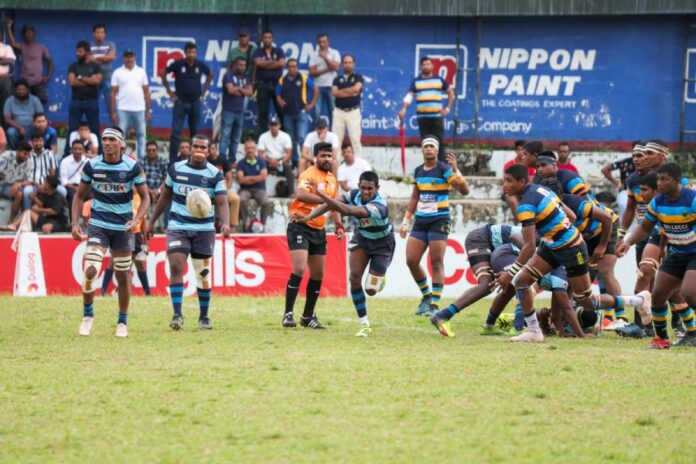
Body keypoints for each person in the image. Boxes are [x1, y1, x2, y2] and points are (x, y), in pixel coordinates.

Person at [495, 164, 650, 343]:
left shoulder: (526, 205)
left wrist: (510, 273)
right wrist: (554, 229)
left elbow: (529, 247)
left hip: (571, 249)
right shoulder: (541, 190)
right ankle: (534, 331)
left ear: (522, 182)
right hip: (553, 246)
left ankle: (638, 301)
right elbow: (571, 216)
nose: (504, 185)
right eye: (504, 181)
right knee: (522, 282)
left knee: (587, 301)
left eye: (508, 181)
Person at [71, 126, 150, 338]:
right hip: (99, 224)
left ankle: (122, 322)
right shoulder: (92, 165)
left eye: (111, 139)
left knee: (122, 277)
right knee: (90, 270)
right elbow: (79, 196)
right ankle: (88, 316)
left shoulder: (133, 167)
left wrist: (137, 220)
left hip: (123, 228)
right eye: (104, 139)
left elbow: (146, 197)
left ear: (121, 143)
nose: (107, 143)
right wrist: (75, 223)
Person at [147, 134, 230, 331]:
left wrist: (226, 223)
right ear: (190, 148)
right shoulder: (176, 169)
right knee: (176, 266)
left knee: (202, 273)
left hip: (204, 229)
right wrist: (151, 222)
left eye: (203, 147)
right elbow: (165, 196)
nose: (199, 150)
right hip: (178, 226)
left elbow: (222, 202)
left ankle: (204, 316)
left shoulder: (216, 174)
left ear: (209, 151)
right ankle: (177, 315)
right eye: (196, 146)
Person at [295, 171, 392, 336]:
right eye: (363, 188)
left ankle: (379, 279)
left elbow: (346, 210)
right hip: (362, 239)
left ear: (377, 188)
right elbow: (331, 205)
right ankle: (364, 324)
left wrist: (321, 195)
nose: (366, 192)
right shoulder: (354, 195)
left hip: (382, 244)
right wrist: (309, 217)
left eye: (370, 189)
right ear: (358, 186)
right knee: (354, 278)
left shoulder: (379, 207)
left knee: (371, 289)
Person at [617, 163, 696, 349]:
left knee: (689, 292)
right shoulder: (658, 202)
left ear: (677, 180)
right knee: (658, 296)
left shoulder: (692, 199)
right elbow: (645, 227)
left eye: (664, 179)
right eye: (658, 179)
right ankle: (662, 339)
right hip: (677, 254)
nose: (659, 183)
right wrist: (627, 242)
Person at [400, 137, 469, 316]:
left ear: (437, 150)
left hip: (439, 220)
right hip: (420, 221)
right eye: (426, 146)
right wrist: (405, 221)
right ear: (422, 150)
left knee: (436, 262)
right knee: (411, 260)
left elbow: (464, 191)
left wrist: (456, 170)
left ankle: (435, 306)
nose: (429, 149)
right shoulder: (418, 171)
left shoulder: (444, 169)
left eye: (432, 146)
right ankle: (427, 296)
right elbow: (414, 197)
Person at [284, 142, 344, 329]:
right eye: (323, 156)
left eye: (329, 156)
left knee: (318, 274)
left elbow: (334, 206)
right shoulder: (308, 174)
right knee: (299, 269)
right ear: (315, 157)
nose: (327, 159)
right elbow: (301, 195)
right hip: (300, 226)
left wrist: (339, 225)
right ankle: (288, 314)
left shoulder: (332, 179)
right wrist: (326, 200)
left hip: (319, 229)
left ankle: (307, 316)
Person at [429, 224, 523, 336]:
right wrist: (528, 249)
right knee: (486, 284)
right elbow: (514, 236)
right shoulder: (538, 238)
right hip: (480, 239)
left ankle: (489, 326)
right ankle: (443, 316)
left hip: (490, 244)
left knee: (511, 287)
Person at [160, 42, 213, 163]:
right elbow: (163, 73)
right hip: (181, 102)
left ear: (196, 53)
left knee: (195, 134)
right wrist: (169, 92)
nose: (191, 54)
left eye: (193, 52)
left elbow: (210, 74)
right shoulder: (178, 64)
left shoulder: (199, 65)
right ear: (185, 53)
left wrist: (204, 92)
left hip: (195, 102)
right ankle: (172, 160)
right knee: (176, 133)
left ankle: (194, 159)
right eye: (189, 52)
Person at [398, 56, 454, 161]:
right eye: (423, 65)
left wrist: (447, 108)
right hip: (423, 118)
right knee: (426, 143)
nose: (426, 66)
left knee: (439, 142)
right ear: (421, 67)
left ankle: (441, 167)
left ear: (432, 66)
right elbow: (409, 96)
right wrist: (404, 109)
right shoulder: (416, 81)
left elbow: (451, 93)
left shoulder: (439, 80)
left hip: (436, 118)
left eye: (428, 64)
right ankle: (429, 166)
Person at [100, 189, 151, 297]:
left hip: (137, 235)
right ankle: (103, 291)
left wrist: (145, 241)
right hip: (123, 233)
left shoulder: (140, 198)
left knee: (140, 264)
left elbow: (143, 220)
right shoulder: (122, 196)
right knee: (114, 262)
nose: (134, 187)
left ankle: (148, 293)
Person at [276, 58, 317, 169]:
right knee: (291, 139)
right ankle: (295, 162)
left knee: (301, 137)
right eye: (290, 66)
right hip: (287, 114)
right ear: (287, 68)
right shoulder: (282, 80)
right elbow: (277, 94)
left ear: (297, 67)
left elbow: (315, 89)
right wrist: (279, 100)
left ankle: (306, 161)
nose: (292, 68)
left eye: (294, 66)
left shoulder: (303, 78)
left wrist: (311, 104)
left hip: (301, 112)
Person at [110, 48, 151, 159]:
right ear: (123, 58)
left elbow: (146, 92)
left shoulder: (141, 72)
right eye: (127, 57)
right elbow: (113, 93)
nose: (129, 59)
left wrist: (148, 110)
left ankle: (142, 158)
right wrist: (113, 112)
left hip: (140, 109)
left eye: (131, 57)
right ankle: (119, 157)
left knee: (141, 134)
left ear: (134, 57)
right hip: (122, 108)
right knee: (120, 135)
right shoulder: (117, 72)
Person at [4, 21, 53, 104]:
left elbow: (50, 62)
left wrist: (48, 76)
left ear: (34, 34)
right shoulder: (23, 46)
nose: (29, 35)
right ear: (24, 36)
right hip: (25, 81)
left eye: (30, 33)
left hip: (38, 81)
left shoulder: (41, 47)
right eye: (26, 33)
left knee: (42, 99)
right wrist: (8, 27)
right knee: (25, 102)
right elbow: (13, 44)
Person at [67, 41, 102, 156]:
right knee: (72, 129)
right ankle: (68, 153)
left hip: (92, 101)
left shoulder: (95, 66)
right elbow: (72, 82)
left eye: (80, 51)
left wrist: (80, 78)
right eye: (77, 51)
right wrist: (89, 80)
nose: (77, 53)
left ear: (87, 52)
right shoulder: (73, 66)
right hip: (76, 101)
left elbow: (97, 81)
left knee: (95, 129)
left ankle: (99, 154)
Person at [253, 30, 286, 136]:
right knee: (263, 112)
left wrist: (265, 64)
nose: (267, 40)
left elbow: (281, 63)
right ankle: (263, 136)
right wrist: (273, 62)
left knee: (281, 110)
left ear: (272, 39)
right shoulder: (258, 51)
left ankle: (283, 135)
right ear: (262, 39)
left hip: (277, 84)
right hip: (263, 84)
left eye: (269, 37)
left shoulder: (279, 50)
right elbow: (258, 63)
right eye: (265, 37)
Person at [220, 58, 252, 163]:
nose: (243, 67)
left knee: (236, 138)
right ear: (235, 65)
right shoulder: (228, 75)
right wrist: (243, 90)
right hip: (228, 110)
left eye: (244, 65)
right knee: (225, 136)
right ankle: (222, 159)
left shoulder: (245, 77)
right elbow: (230, 90)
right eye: (240, 65)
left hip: (240, 111)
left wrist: (238, 89)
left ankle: (232, 160)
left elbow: (250, 92)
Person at [331, 55, 363, 157]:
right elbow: (334, 92)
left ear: (353, 64)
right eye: (345, 62)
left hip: (353, 112)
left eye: (350, 62)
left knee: (355, 140)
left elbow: (356, 89)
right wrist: (351, 92)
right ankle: (336, 165)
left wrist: (341, 92)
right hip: (339, 112)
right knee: (336, 141)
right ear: (342, 64)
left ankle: (358, 165)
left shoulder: (358, 77)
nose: (348, 64)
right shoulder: (337, 79)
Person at [237, 139, 271, 231]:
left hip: (260, 189)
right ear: (244, 149)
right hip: (245, 190)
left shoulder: (261, 161)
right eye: (248, 148)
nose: (250, 150)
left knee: (266, 202)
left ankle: (262, 224)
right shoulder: (240, 163)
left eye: (252, 148)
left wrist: (248, 178)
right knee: (241, 199)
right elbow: (240, 180)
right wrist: (256, 178)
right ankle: (245, 222)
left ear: (255, 149)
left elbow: (263, 177)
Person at [208, 141, 240, 232]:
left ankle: (233, 227)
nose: (211, 151)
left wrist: (225, 190)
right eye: (209, 149)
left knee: (235, 199)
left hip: (222, 189)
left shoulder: (223, 161)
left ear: (216, 149)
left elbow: (229, 178)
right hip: (208, 190)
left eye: (213, 148)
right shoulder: (204, 161)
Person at [309, 33, 340, 126]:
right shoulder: (314, 55)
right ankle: (318, 133)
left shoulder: (334, 53)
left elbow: (336, 68)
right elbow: (312, 72)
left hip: (332, 87)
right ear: (317, 43)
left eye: (324, 42)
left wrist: (325, 57)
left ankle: (333, 134)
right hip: (318, 87)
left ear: (328, 42)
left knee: (333, 113)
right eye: (320, 42)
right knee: (317, 113)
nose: (322, 44)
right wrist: (328, 69)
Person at [257, 115, 294, 195]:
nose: (274, 127)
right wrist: (270, 161)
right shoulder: (263, 136)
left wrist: (280, 162)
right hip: (268, 160)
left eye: (275, 125)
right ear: (268, 126)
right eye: (272, 125)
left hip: (282, 160)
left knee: (288, 167)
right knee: (260, 166)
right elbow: (260, 154)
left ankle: (291, 192)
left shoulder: (285, 136)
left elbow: (289, 153)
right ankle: (259, 191)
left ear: (279, 126)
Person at [25, 131, 60, 212]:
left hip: (47, 184)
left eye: (40, 141)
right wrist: (35, 184)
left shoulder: (50, 154)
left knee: (63, 191)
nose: (38, 143)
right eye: (36, 141)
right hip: (32, 184)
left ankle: (55, 216)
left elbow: (52, 173)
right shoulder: (28, 155)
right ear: (31, 142)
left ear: (43, 142)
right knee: (27, 191)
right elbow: (26, 174)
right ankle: (26, 215)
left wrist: (45, 186)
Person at [4, 78, 43, 149]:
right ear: (15, 90)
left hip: (32, 126)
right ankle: (15, 151)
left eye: (23, 89)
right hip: (16, 127)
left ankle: (30, 151)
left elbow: (40, 115)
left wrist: (33, 125)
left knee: (36, 130)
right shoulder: (9, 101)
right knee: (10, 132)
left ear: (28, 90)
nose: (21, 91)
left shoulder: (35, 100)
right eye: (19, 89)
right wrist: (19, 127)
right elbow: (7, 118)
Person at [89, 24, 116, 117]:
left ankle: (114, 126)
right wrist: (104, 58)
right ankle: (92, 126)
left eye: (102, 32)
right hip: (93, 79)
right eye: (97, 32)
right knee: (91, 105)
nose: (100, 34)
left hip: (108, 79)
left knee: (111, 106)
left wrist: (95, 58)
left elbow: (111, 57)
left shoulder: (110, 44)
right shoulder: (89, 46)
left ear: (105, 34)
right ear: (93, 33)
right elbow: (88, 59)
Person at [0, 144, 31, 223]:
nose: (26, 157)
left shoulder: (28, 161)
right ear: (18, 151)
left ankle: (11, 220)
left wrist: (18, 185)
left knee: (19, 194)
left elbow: (29, 180)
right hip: (2, 184)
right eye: (24, 154)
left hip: (12, 187)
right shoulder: (7, 156)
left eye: (28, 154)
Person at [601, 148, 635, 217]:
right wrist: (617, 183)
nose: (637, 159)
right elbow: (605, 170)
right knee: (623, 205)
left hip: (643, 192)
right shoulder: (625, 162)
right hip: (625, 191)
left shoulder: (648, 164)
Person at [60, 139, 87, 216]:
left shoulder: (87, 161)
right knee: (73, 196)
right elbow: (64, 181)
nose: (77, 151)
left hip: (85, 187)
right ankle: (74, 221)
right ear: (71, 150)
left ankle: (88, 221)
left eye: (80, 149)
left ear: (83, 150)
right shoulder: (65, 161)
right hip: (70, 187)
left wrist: (81, 188)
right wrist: (76, 188)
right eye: (75, 149)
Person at [142, 140, 168, 207]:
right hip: (145, 194)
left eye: (153, 150)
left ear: (157, 150)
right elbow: (140, 179)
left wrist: (158, 191)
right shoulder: (142, 162)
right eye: (149, 150)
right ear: (146, 151)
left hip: (160, 194)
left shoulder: (163, 161)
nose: (151, 152)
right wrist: (150, 191)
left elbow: (166, 178)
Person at [0, 27, 16, 118]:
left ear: (1, 35)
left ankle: (4, 124)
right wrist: (2, 59)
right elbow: (5, 60)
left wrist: (5, 60)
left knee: (5, 102)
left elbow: (10, 61)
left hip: (4, 78)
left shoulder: (6, 48)